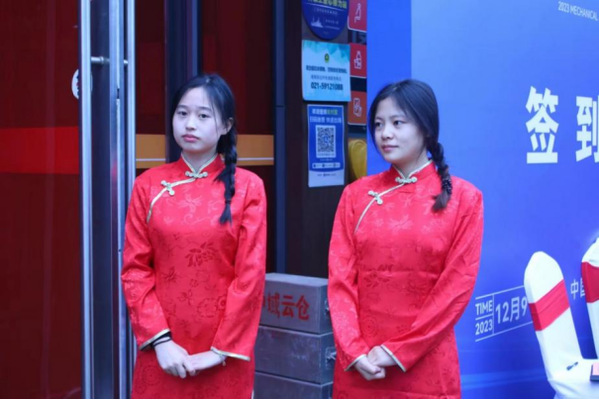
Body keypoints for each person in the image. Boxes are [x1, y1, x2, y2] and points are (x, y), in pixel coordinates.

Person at [328, 79, 484, 398]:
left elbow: (456, 288)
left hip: (426, 364)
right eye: (378, 124)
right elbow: (340, 281)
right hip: (362, 363)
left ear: (426, 127)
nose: (385, 133)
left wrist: (399, 350)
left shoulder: (465, 199)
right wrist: (353, 349)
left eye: (397, 123)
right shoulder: (355, 195)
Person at [121, 74, 266, 398]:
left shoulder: (248, 187)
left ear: (226, 126)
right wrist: (161, 342)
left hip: (225, 353)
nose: (190, 124)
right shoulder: (148, 185)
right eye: (182, 113)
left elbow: (250, 276)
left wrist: (219, 351)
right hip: (162, 351)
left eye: (203, 115)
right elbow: (135, 269)